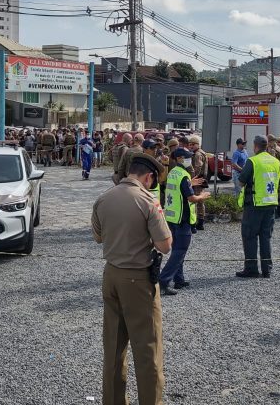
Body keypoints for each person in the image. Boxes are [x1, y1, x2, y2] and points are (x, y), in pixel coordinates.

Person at [91, 154, 172, 405]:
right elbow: (165, 245)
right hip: (138, 279)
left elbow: (98, 237)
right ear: (148, 177)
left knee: (114, 348)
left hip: (112, 274)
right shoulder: (148, 200)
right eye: (152, 181)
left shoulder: (104, 198)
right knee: (147, 349)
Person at [159, 147, 211, 295]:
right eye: (187, 157)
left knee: (177, 250)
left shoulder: (173, 173)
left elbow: (178, 190)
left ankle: (179, 279)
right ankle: (163, 280)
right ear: (180, 159)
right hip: (183, 218)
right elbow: (191, 198)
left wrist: (190, 183)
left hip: (172, 218)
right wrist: (203, 196)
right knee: (180, 251)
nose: (189, 160)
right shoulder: (183, 175)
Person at [236, 135, 280, 279]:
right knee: (265, 237)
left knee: (249, 236)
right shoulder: (275, 161)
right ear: (267, 146)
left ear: (255, 146)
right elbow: (279, 179)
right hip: (271, 204)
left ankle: (251, 269)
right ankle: (267, 269)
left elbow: (241, 182)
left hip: (255, 205)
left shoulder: (253, 161)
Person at [187, 135, 208, 230]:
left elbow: (198, 167)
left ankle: (198, 222)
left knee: (196, 200)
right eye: (189, 144)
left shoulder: (197, 154)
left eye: (192, 144)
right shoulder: (202, 152)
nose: (190, 146)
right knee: (200, 201)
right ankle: (200, 221)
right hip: (201, 179)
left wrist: (192, 178)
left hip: (198, 180)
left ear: (197, 144)